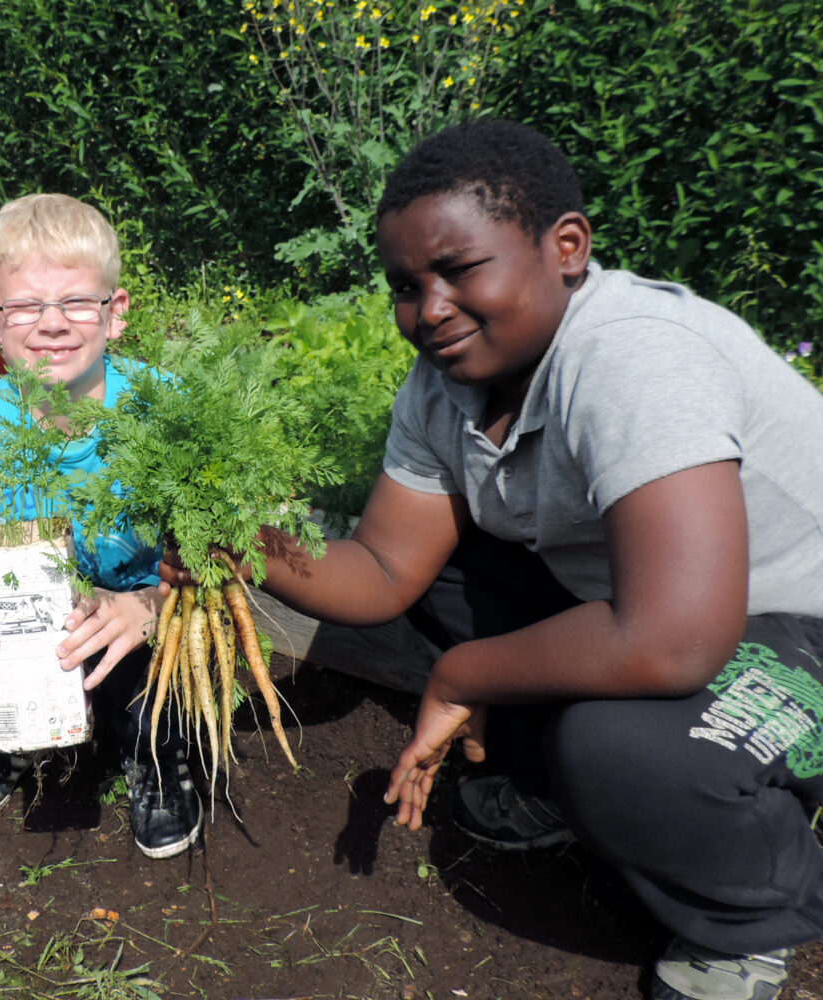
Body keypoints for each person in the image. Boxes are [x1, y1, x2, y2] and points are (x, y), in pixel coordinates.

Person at [217, 119, 823, 1000]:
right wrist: (241, 551)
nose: (428, 310)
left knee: (623, 750)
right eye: (405, 286)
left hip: (799, 624)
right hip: (653, 600)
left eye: (460, 270)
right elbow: (386, 567)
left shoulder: (633, 355)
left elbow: (678, 642)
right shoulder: (445, 385)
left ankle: (744, 918)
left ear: (565, 247)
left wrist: (467, 675)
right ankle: (562, 788)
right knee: (452, 583)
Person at [0, 193, 203, 860]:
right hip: (29, 649)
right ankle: (10, 742)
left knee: (174, 684)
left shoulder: (165, 409)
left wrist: (149, 605)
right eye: (26, 307)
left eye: (76, 302)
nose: (51, 325)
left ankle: (154, 753)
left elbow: (217, 557)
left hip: (137, 634)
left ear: (115, 313)